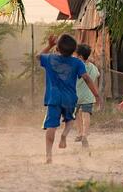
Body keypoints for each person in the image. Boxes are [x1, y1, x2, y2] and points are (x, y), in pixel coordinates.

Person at [38, 34, 102, 163]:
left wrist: (49, 45)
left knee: (51, 127)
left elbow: (38, 57)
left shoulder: (50, 59)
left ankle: (49, 156)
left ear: (58, 48)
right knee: (70, 120)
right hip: (69, 98)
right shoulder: (77, 62)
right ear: (73, 51)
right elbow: (87, 78)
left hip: (53, 98)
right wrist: (97, 95)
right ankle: (64, 135)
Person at [73, 43, 100, 147]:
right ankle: (85, 134)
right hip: (89, 96)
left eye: (75, 55)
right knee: (86, 114)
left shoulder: (77, 67)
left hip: (76, 95)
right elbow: (97, 76)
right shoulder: (93, 67)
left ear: (79, 56)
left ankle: (79, 133)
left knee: (76, 115)